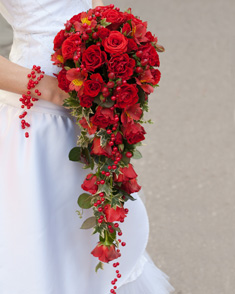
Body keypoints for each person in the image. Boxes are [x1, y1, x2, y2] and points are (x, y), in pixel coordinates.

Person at [0, 0, 175, 293]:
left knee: (95, 218)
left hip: (95, 93)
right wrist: (52, 89)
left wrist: (115, 42)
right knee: (39, 231)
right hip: (39, 113)